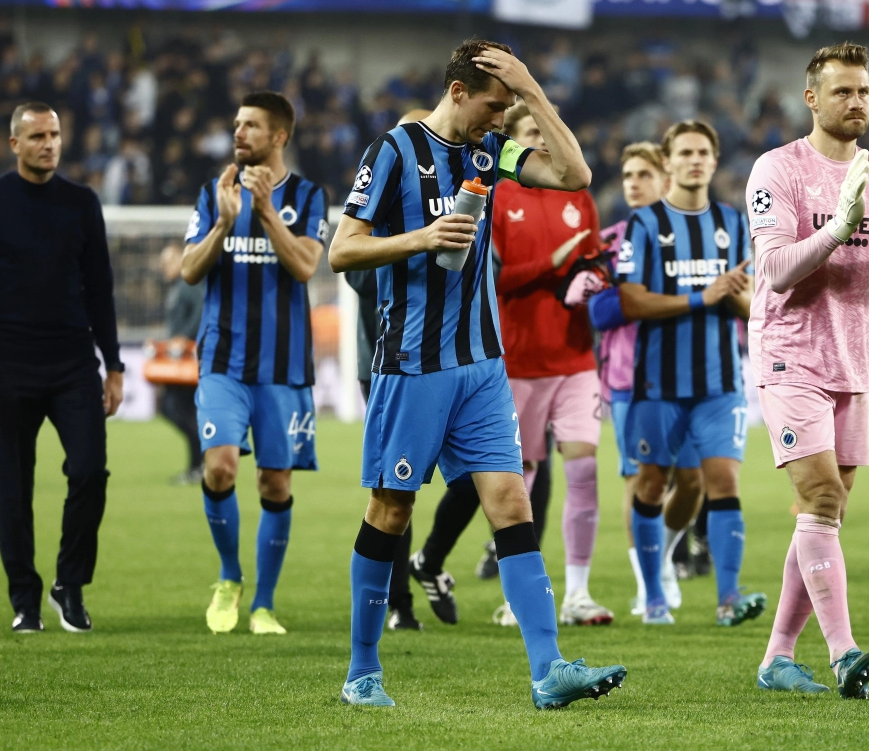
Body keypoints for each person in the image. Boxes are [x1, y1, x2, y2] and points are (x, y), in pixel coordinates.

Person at [328, 40, 625, 709]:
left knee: (512, 504)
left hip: (484, 366)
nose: (500, 116)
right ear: (457, 91)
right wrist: (421, 239)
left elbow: (574, 174)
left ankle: (548, 672)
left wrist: (532, 91)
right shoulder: (394, 151)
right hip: (412, 364)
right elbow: (342, 250)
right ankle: (363, 672)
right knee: (391, 509)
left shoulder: (492, 155)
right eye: (494, 104)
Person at [746, 42, 869, 698]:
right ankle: (843, 651)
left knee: (820, 512)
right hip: (789, 352)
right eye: (843, 92)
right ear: (812, 99)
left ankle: (776, 658)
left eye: (864, 92)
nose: (857, 103)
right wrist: (841, 226)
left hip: (851, 362)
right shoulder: (779, 170)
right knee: (823, 498)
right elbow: (772, 271)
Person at [0, 101, 124, 633]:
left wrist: (116, 365)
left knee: (89, 472)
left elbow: (100, 288)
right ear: (14, 144)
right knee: (11, 488)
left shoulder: (82, 203)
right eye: (36, 136)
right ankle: (24, 601)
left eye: (54, 134)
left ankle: (69, 584)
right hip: (6, 364)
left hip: (74, 362)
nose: (48, 144)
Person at [181, 91, 328, 637]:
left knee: (275, 484)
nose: (238, 133)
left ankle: (264, 604)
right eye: (236, 124)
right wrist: (222, 225)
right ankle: (229, 576)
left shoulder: (310, 196)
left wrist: (264, 212)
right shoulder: (213, 192)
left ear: (279, 136)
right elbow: (190, 272)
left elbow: (306, 265)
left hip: (283, 368)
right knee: (219, 466)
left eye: (251, 126)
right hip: (222, 359)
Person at [617, 120, 765, 628]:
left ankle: (728, 599)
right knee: (653, 484)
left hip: (720, 383)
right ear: (670, 161)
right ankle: (654, 594)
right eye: (685, 152)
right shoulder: (643, 224)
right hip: (658, 383)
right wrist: (705, 295)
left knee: (720, 481)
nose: (695, 159)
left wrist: (739, 296)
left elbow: (752, 305)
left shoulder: (735, 223)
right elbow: (631, 300)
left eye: (704, 151)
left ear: (714, 160)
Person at [487, 100, 612, 626]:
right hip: (519, 361)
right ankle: (524, 595)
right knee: (520, 482)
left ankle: (579, 594)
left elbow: (593, 259)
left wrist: (592, 278)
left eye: (546, 130)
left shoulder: (577, 197)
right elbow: (494, 278)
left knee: (583, 467)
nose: (541, 137)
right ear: (512, 142)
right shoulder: (496, 196)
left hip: (576, 356)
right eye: (531, 130)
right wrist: (553, 264)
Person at [589, 142, 705, 614]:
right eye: (627, 174)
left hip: (692, 374)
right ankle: (647, 585)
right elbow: (598, 309)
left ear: (666, 179)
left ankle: (664, 556)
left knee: (694, 482)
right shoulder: (610, 242)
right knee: (641, 482)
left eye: (643, 174)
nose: (632, 183)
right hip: (629, 379)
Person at [344, 108, 431, 632]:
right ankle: (397, 601)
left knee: (486, 485)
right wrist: (417, 246)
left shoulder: (462, 196)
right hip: (386, 361)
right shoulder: (375, 195)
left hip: (460, 363)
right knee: (396, 490)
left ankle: (433, 562)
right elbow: (356, 274)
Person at [158, 243, 205, 485]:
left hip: (189, 361)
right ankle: (198, 464)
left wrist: (183, 337)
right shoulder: (177, 288)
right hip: (179, 361)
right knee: (176, 409)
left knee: (178, 409)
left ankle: (199, 464)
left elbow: (199, 314)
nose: (163, 267)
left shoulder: (189, 285)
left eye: (167, 262)